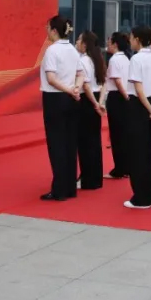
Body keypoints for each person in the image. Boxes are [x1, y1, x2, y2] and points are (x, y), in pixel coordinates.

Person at [40, 15, 82, 201]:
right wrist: (75, 89)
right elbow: (81, 74)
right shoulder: (72, 49)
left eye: (48, 27)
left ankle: (59, 190)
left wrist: (70, 90)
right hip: (71, 99)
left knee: (57, 144)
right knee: (69, 143)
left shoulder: (52, 50)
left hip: (55, 99)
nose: (46, 31)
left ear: (55, 31)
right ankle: (70, 187)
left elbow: (51, 79)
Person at [124, 25, 151, 209]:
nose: (130, 41)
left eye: (132, 37)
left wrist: (150, 110)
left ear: (138, 39)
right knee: (147, 152)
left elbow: (138, 89)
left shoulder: (136, 59)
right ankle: (148, 196)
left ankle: (140, 197)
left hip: (139, 106)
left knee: (137, 152)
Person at [76, 31, 108, 190]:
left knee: (85, 142)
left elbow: (86, 85)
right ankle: (95, 178)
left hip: (87, 102)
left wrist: (95, 104)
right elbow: (103, 84)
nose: (76, 42)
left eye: (79, 40)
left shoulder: (83, 61)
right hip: (96, 100)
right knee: (94, 141)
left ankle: (87, 179)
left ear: (85, 44)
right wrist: (100, 102)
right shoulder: (98, 60)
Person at [101, 32, 130, 180]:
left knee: (117, 134)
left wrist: (125, 96)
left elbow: (117, 81)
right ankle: (126, 166)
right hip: (124, 97)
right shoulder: (126, 58)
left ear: (115, 44)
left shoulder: (114, 60)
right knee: (124, 133)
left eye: (109, 41)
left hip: (117, 97)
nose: (107, 43)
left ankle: (119, 168)